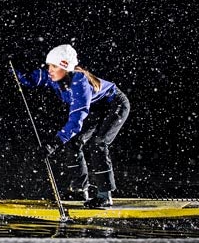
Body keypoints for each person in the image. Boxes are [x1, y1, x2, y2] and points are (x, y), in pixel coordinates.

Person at [12, 44, 131, 208]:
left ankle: (105, 196)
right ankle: (79, 189)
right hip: (95, 108)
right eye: (49, 66)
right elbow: (30, 79)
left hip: (115, 105)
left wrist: (53, 143)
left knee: (98, 144)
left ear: (66, 68)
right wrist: (14, 67)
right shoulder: (53, 76)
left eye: (54, 66)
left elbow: (76, 121)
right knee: (73, 143)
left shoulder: (79, 83)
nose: (50, 70)